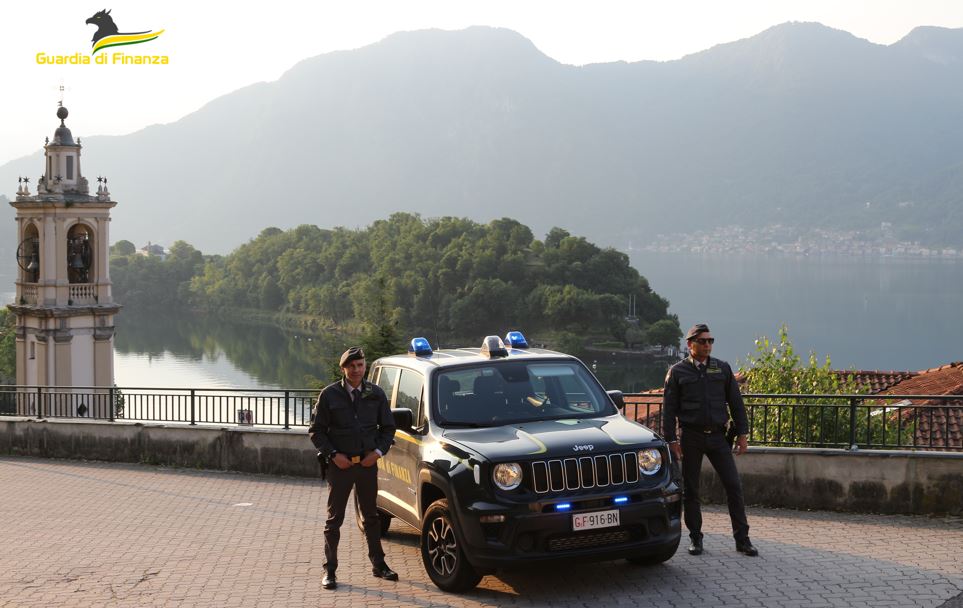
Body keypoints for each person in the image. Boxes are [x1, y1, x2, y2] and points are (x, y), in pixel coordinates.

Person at [662, 324, 759, 557]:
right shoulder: (677, 372)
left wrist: (742, 434)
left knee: (734, 486)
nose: (707, 345)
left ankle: (742, 540)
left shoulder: (722, 368)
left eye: (710, 341)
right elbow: (669, 410)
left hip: (717, 437)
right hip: (691, 437)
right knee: (691, 490)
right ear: (690, 344)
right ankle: (696, 538)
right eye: (702, 341)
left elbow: (736, 403)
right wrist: (671, 441)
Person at [309, 346, 398, 590]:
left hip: (367, 465)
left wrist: (377, 453)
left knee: (371, 517)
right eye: (351, 366)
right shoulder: (329, 395)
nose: (356, 370)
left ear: (365, 366)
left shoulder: (376, 394)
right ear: (343, 368)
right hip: (341, 466)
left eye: (360, 365)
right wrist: (333, 455)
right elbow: (316, 431)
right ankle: (330, 570)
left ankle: (379, 565)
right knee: (334, 520)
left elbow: (388, 429)